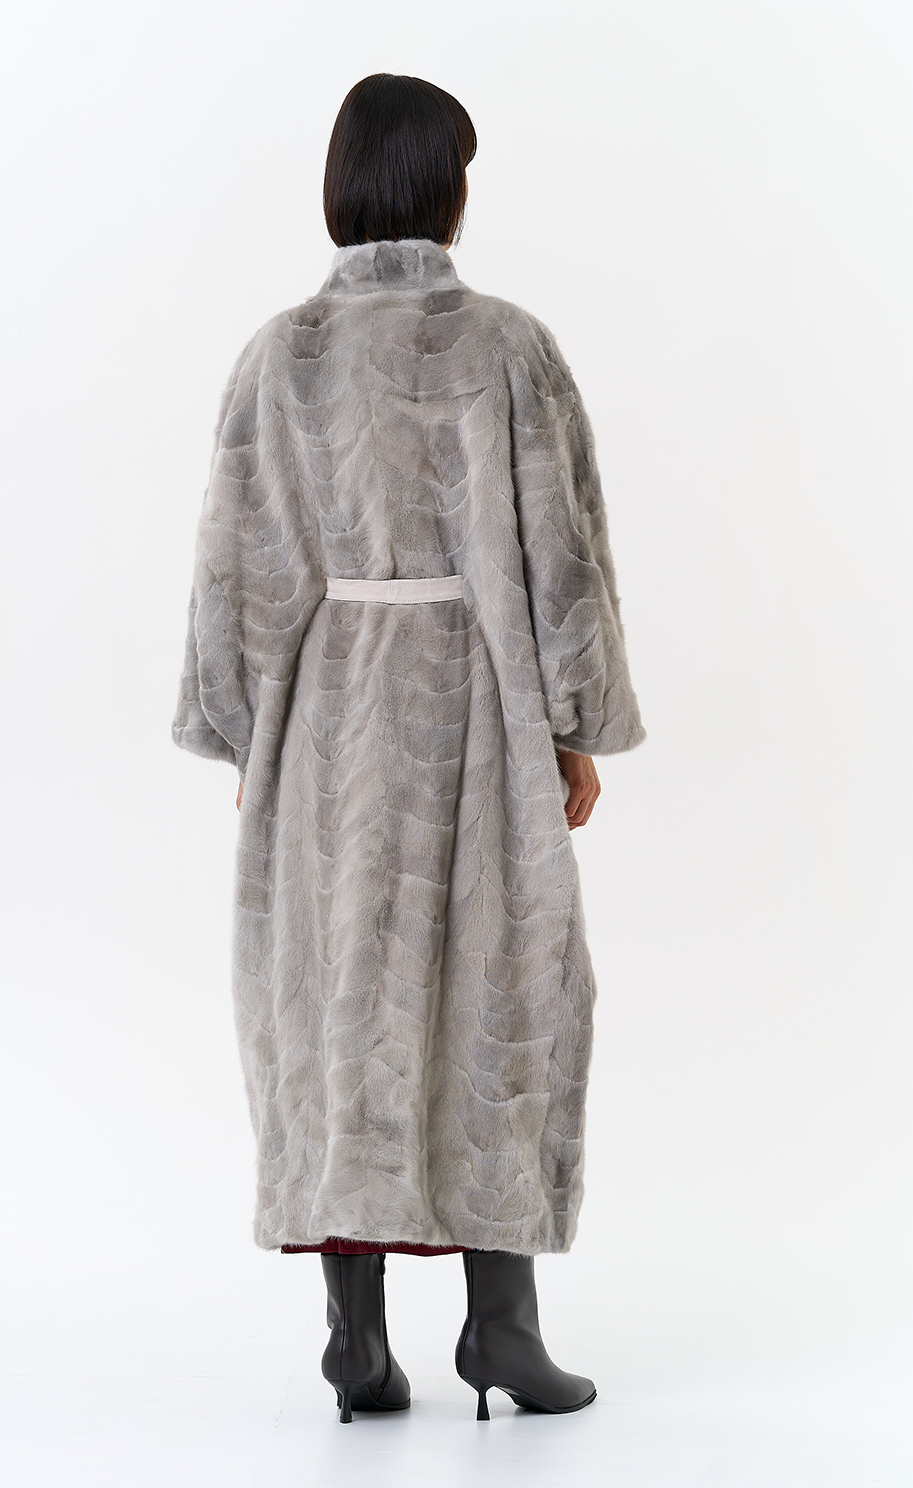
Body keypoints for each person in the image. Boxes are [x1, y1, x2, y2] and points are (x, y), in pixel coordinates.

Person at [172, 72, 647, 1424]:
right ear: (447, 189)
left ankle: (357, 1339)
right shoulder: (506, 347)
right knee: (506, 983)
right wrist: (576, 724)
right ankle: (501, 1329)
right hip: (477, 706)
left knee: (339, 1004)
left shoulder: (280, 356)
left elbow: (236, 563)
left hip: (324, 718)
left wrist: (248, 736)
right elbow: (563, 553)